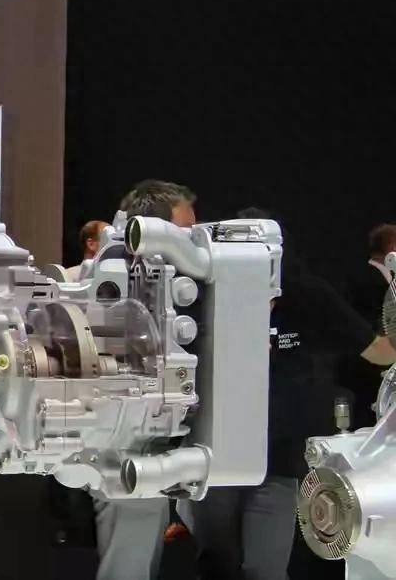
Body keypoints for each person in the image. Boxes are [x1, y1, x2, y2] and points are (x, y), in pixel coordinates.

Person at [179, 209, 396, 580]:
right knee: (216, 561)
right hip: (216, 454)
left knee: (266, 567)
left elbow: (378, 351)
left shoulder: (309, 297)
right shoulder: (204, 296)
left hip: (278, 455)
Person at [91, 179, 197, 580]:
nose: (195, 244)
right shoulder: (123, 284)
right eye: (185, 234)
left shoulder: (122, 271)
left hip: (139, 447)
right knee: (129, 564)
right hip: (129, 447)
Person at [341, 224, 396, 428]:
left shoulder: (386, 279)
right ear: (392, 246)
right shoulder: (364, 279)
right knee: (367, 420)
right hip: (367, 367)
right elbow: (370, 324)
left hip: (382, 366)